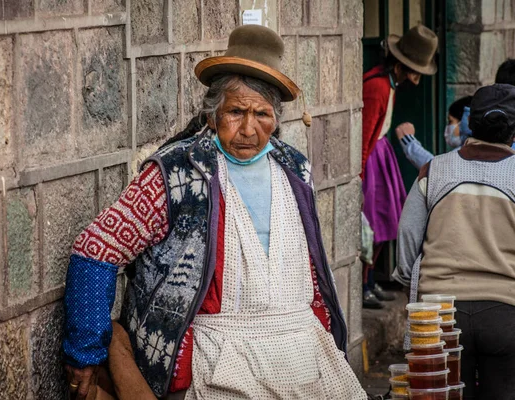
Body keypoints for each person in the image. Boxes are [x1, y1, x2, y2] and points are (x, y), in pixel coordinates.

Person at [62, 24, 366, 400]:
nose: (249, 129)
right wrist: (85, 351)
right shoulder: (177, 172)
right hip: (217, 358)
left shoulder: (295, 168)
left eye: (262, 115)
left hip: (302, 354)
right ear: (212, 114)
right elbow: (96, 249)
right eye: (236, 112)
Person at [394, 84, 515, 400]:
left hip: (441, 314)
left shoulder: (435, 170)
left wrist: (412, 283)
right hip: (506, 313)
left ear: (468, 124)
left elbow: (407, 234)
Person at [361, 25, 438, 309]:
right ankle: (363, 284)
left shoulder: (388, 84)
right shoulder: (377, 87)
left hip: (380, 154)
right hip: (371, 158)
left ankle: (369, 281)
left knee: (381, 224)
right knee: (370, 224)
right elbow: (365, 135)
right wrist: (360, 177)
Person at [394, 96, 473, 170]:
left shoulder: (469, 152)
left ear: (465, 121)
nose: (448, 127)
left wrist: (409, 142)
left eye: (450, 121)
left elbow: (437, 168)